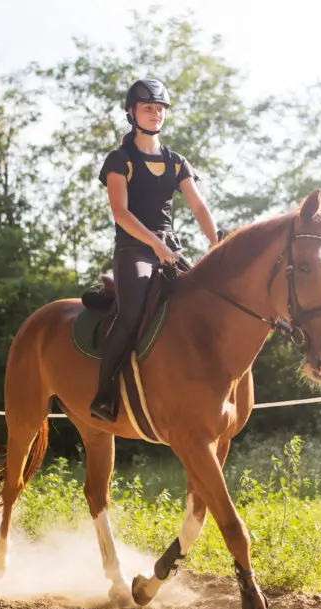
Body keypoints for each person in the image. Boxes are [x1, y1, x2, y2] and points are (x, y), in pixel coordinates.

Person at [89, 77, 220, 422]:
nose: (155, 114)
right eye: (148, 108)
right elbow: (120, 213)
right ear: (131, 113)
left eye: (160, 108)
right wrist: (155, 244)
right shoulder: (120, 159)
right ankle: (103, 395)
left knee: (207, 301)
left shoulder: (177, 162)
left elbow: (199, 207)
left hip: (170, 249)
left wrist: (218, 242)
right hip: (134, 250)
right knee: (131, 313)